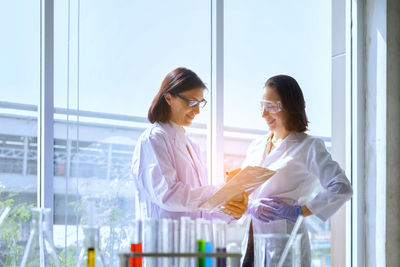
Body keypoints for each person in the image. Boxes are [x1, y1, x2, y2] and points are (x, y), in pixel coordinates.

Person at [234, 75, 353, 266]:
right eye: (262, 106)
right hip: (251, 241)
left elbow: (341, 187)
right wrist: (250, 205)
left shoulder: (308, 146)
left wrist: (299, 211)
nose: (264, 114)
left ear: (289, 106)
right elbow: (238, 191)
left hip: (286, 242)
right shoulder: (256, 146)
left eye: (271, 107)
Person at [131, 67, 247, 220]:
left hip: (195, 240)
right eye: (192, 102)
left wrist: (231, 210)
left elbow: (200, 208)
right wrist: (222, 192)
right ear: (168, 98)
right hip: (164, 241)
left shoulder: (191, 146)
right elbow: (169, 195)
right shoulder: (153, 139)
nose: (197, 111)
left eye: (200, 103)